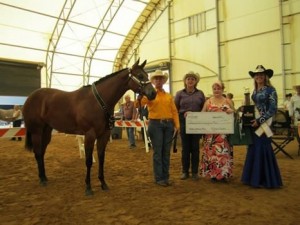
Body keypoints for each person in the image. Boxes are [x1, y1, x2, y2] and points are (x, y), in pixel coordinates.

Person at [241, 65, 283, 188]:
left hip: (264, 124)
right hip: (254, 123)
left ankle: (265, 180)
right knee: (253, 148)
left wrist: (260, 120)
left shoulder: (271, 90)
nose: (258, 76)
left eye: (261, 74)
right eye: (256, 75)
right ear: (254, 77)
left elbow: (273, 109)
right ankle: (254, 179)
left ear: (265, 77)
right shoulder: (254, 91)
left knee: (262, 148)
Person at [140, 69, 180, 187]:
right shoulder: (150, 95)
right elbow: (138, 104)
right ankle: (159, 178)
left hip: (168, 125)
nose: (158, 80)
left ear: (163, 81)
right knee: (158, 152)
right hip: (155, 124)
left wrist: (177, 125)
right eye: (156, 78)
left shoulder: (168, 96)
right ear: (153, 81)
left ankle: (165, 177)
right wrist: (141, 95)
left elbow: (174, 111)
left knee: (166, 152)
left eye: (160, 78)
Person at [200, 80, 234, 183]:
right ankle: (213, 174)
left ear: (222, 89)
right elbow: (202, 114)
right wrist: (191, 115)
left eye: (218, 88)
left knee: (224, 154)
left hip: (224, 134)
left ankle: (223, 174)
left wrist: (231, 111)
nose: (216, 90)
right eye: (214, 88)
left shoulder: (228, 101)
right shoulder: (208, 101)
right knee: (212, 154)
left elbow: (234, 113)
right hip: (211, 134)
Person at [174, 71, 206, 180]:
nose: (190, 80)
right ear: (185, 81)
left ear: (196, 81)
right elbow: (175, 109)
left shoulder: (200, 94)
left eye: (193, 79)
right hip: (184, 121)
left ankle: (195, 172)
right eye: (188, 79)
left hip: (197, 122)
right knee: (185, 148)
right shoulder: (179, 94)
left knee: (195, 147)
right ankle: (185, 171)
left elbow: (204, 108)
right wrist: (178, 122)